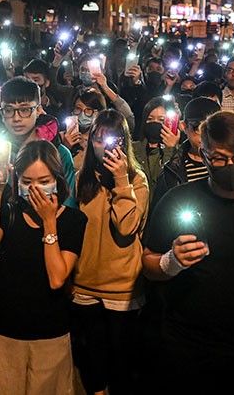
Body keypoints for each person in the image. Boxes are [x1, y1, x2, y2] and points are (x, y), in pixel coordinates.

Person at [142, 111, 234, 391]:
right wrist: (171, 262)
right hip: (186, 343)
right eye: (220, 159)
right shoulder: (179, 199)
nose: (231, 166)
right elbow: (148, 263)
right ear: (205, 153)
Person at [0, 141, 87, 395]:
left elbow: (57, 278)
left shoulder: (73, 221)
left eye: (44, 180)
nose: (35, 188)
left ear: (57, 180)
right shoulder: (11, 212)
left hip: (50, 335)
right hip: (2, 332)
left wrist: (49, 223)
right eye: (27, 181)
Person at [71, 109, 148, 395]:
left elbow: (127, 227)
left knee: (121, 361)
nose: (104, 145)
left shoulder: (136, 180)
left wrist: (120, 181)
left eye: (111, 138)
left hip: (122, 288)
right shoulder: (83, 177)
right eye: (97, 138)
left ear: (124, 141)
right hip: (85, 283)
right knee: (92, 359)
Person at [0, 77, 77, 211]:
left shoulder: (59, 152)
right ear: (1, 112)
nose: (16, 118)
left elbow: (68, 207)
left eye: (24, 110)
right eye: (8, 110)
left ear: (38, 110)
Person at [149, 97, 221, 209]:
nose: (205, 136)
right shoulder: (172, 169)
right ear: (183, 126)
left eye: (212, 129)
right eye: (197, 128)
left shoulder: (229, 162)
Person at [131, 97, 180, 200]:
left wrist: (170, 149)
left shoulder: (178, 153)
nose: (155, 123)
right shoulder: (132, 149)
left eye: (161, 120)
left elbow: (167, 183)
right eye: (150, 119)